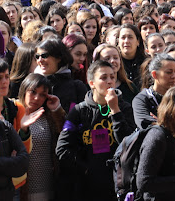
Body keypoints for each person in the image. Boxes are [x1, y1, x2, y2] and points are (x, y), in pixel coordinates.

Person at [56, 60, 135, 200]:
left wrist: (115, 111)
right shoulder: (79, 111)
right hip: (88, 188)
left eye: (112, 77)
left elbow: (128, 144)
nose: (109, 81)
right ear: (92, 83)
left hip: (119, 185)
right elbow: (62, 149)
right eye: (104, 78)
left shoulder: (125, 108)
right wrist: (87, 169)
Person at [17, 73, 65, 201]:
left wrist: (57, 110)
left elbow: (65, 135)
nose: (37, 98)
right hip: (20, 189)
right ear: (24, 90)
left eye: (43, 94)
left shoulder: (48, 117)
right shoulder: (14, 112)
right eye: (33, 92)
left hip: (47, 187)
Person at [34, 37, 88, 113]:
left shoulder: (75, 87)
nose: (40, 60)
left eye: (44, 56)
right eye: (37, 56)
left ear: (58, 58)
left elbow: (78, 118)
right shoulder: (31, 82)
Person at [132, 54, 175, 129]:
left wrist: (159, 122)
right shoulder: (142, 99)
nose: (174, 76)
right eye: (169, 72)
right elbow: (147, 126)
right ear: (154, 74)